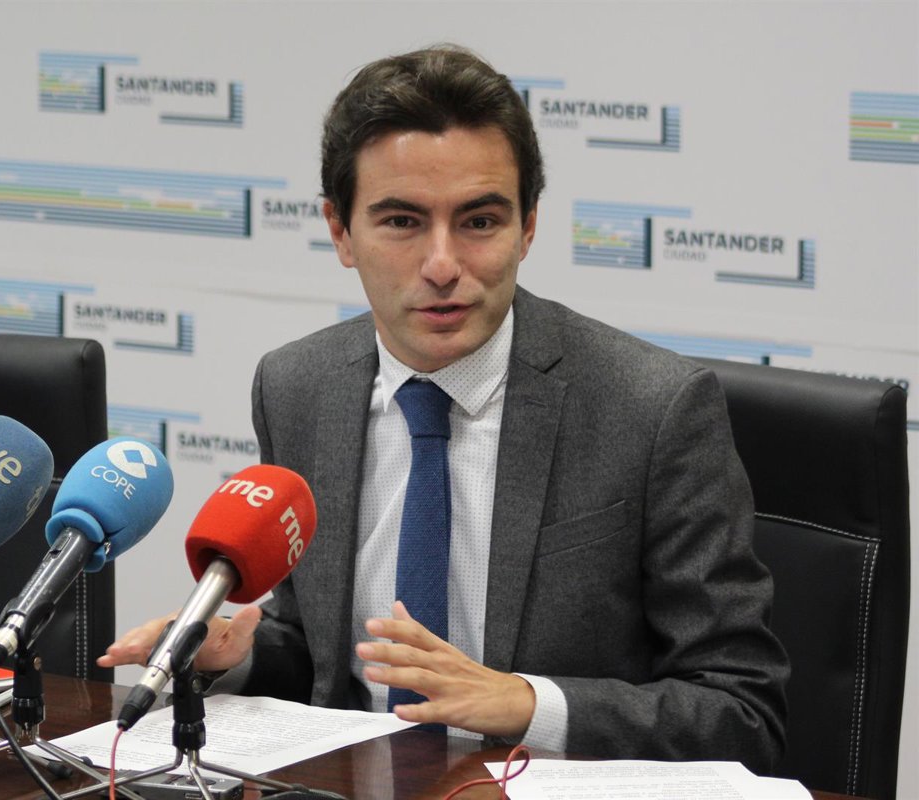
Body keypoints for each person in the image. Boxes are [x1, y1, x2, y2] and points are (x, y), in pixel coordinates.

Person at [100, 44, 788, 772]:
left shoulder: (652, 408)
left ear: (527, 227)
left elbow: (742, 713)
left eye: (479, 222)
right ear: (340, 231)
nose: (441, 265)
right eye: (402, 222)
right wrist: (236, 656)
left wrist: (526, 704)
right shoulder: (297, 387)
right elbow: (324, 659)